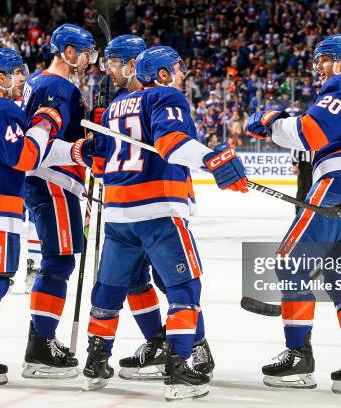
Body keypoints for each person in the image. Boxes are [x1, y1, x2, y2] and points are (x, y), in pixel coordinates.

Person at [81, 46, 248, 401]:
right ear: (161, 74)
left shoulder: (113, 107)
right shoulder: (167, 95)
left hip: (117, 212)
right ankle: (178, 368)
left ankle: (95, 364)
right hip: (159, 209)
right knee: (185, 287)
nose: (181, 73)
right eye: (176, 67)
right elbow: (172, 143)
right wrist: (211, 158)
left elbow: (98, 164)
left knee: (110, 289)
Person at [246, 34, 341, 394]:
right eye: (318, 60)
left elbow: (309, 132)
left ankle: (298, 356)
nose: (319, 67)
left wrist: (271, 120)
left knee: (290, 263)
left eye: (326, 59)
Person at [0, 48, 88, 385]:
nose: (22, 79)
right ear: (0, 78)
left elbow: (15, 148)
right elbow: (25, 156)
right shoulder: (4, 108)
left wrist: (70, 149)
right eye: (16, 73)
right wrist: (45, 123)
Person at [99, 34, 216, 381]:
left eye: (115, 63)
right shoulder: (124, 101)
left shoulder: (146, 99)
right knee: (139, 282)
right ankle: (159, 342)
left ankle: (196, 345)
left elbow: (172, 143)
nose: (110, 71)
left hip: (153, 205)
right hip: (137, 206)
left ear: (136, 64)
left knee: (171, 281)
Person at [19, 23, 99, 379]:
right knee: (59, 262)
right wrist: (80, 150)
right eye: (84, 52)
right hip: (53, 182)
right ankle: (40, 346)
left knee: (58, 261)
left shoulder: (38, 82)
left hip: (48, 182)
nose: (88, 59)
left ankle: (41, 341)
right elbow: (38, 145)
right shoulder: (57, 86)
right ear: (68, 52)